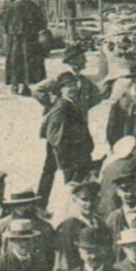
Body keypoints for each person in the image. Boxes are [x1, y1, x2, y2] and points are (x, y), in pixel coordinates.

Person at [38, 72, 95, 205]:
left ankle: (42, 202)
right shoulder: (62, 106)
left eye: (74, 85)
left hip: (74, 152)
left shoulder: (71, 103)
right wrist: (65, 155)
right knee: (72, 184)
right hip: (70, 154)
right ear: (61, 89)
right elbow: (53, 135)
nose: (72, 88)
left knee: (54, 175)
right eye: (68, 86)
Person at [4, 0, 47, 95]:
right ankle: (27, 86)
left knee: (15, 61)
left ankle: (14, 85)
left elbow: (7, 23)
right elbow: (41, 23)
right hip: (30, 39)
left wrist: (10, 34)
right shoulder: (34, 7)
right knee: (29, 62)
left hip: (15, 40)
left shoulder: (13, 6)